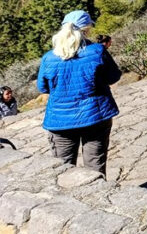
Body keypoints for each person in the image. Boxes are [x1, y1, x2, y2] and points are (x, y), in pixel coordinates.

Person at [37, 10, 121, 177]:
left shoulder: (49, 58)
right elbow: (113, 77)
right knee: (95, 167)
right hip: (95, 115)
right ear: (86, 30)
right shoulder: (97, 51)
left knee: (63, 169)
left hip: (60, 120)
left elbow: (43, 87)